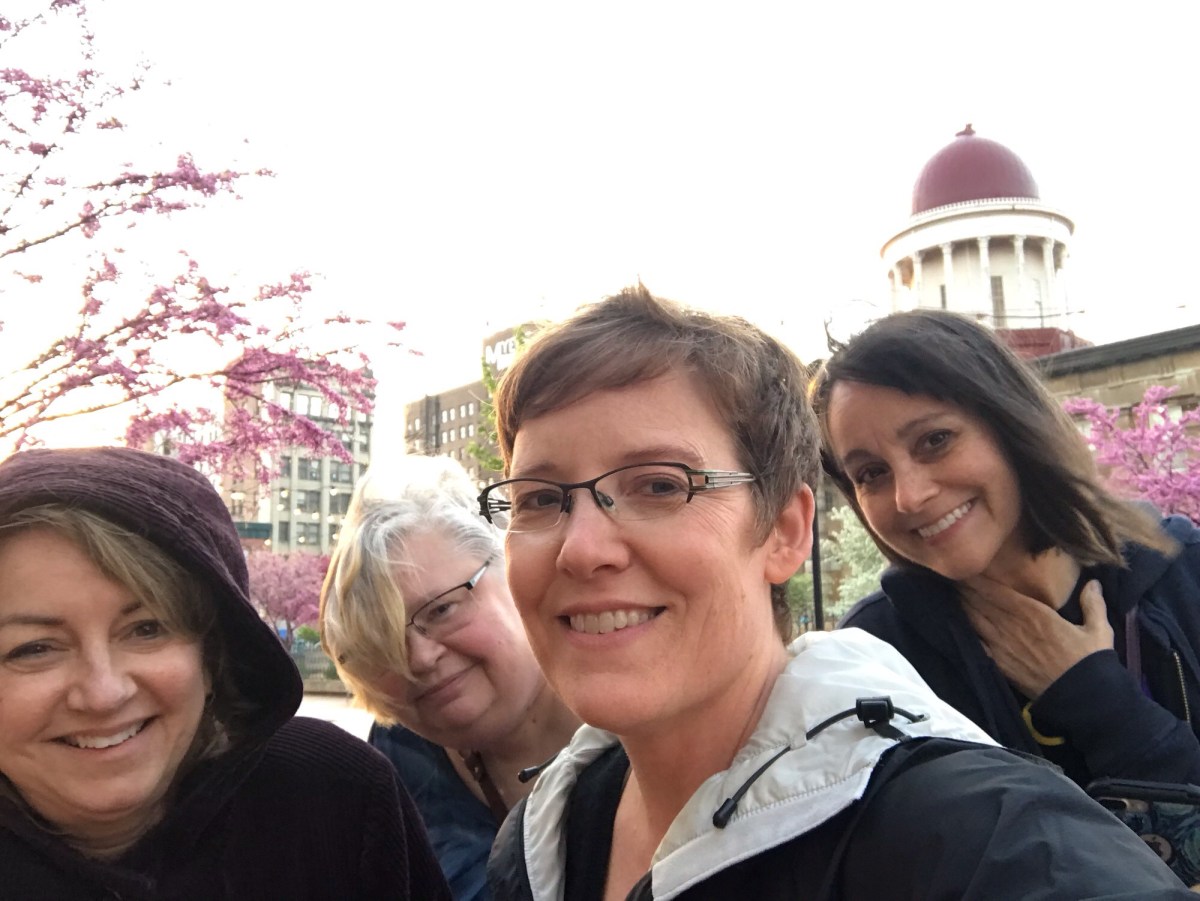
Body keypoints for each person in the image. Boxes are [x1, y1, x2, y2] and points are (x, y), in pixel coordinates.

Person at [482, 284, 1193, 900]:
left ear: (785, 530)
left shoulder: (940, 811)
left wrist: (1097, 700)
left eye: (661, 485)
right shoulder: (544, 838)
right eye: (539, 498)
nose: (910, 495)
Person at [0, 446, 451, 901]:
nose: (103, 694)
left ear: (213, 655)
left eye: (146, 629)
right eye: (34, 649)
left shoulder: (336, 797)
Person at [810, 308, 1200, 790]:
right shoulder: (876, 657)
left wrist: (1097, 700)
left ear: (1012, 425)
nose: (908, 496)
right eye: (871, 473)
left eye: (935, 441)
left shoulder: (1183, 575)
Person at [320, 455, 580, 900]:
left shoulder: (642, 726)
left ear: (514, 571)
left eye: (442, 610)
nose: (419, 659)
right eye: (380, 646)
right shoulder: (399, 760)